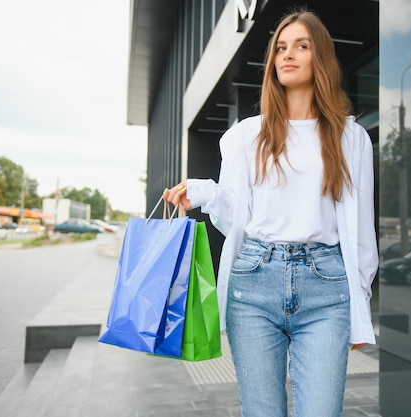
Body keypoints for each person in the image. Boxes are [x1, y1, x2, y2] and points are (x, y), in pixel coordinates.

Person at [164, 8, 378, 417]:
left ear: (323, 59)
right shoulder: (246, 135)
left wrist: (360, 305)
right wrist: (203, 193)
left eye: (301, 45)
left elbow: (360, 233)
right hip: (253, 283)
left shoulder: (351, 138)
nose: (288, 55)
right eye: (281, 47)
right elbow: (233, 216)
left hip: (326, 286)